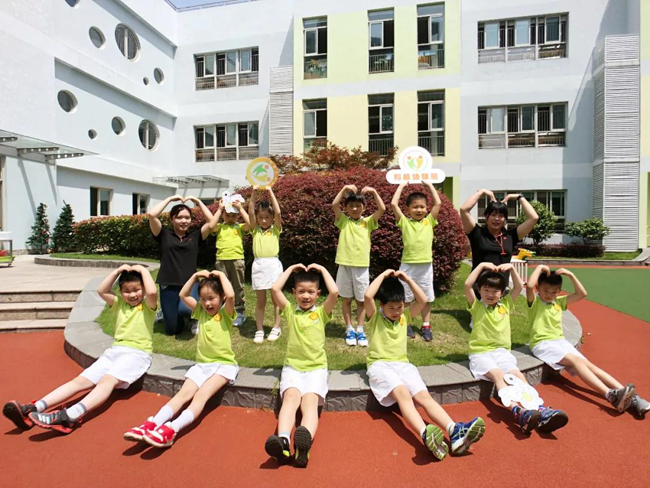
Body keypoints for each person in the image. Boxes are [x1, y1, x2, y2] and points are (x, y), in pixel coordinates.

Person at [3, 265, 157, 434]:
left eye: (136, 290)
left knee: (107, 381)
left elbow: (152, 292)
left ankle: (69, 416)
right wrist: (117, 271)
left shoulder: (148, 307)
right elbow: (101, 290)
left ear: (142, 290)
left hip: (137, 354)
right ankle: (33, 408)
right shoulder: (120, 304)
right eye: (127, 291)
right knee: (80, 381)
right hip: (114, 352)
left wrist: (143, 270)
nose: (133, 295)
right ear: (120, 292)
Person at [364, 270, 485, 460]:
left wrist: (408, 279)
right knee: (403, 394)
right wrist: (384, 275)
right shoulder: (375, 317)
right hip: (380, 366)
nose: (396, 312)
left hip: (403, 365)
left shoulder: (405, 316)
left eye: (399, 307)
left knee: (424, 397)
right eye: (391, 308)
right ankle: (425, 433)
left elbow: (422, 300)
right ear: (381, 305)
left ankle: (453, 430)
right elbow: (367, 295)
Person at [124, 270, 238, 448]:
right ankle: (154, 422)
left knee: (200, 396)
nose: (207, 303)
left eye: (212, 298)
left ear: (221, 297)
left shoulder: (225, 314)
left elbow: (231, 295)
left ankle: (172, 429)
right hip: (202, 365)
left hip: (224, 366)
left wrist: (221, 275)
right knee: (183, 394)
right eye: (203, 299)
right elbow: (183, 295)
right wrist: (194, 277)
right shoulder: (200, 311)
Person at [526, 266, 649, 418]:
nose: (549, 295)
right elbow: (529, 285)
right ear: (538, 288)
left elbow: (582, 294)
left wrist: (571, 275)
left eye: (554, 292)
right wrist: (540, 268)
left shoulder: (558, 302)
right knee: (576, 361)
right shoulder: (535, 302)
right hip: (542, 344)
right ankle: (610, 395)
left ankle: (633, 399)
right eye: (545, 290)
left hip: (560, 342)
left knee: (590, 366)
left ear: (559, 291)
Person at [465, 262, 568, 435]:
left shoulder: (505, 305)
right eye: (486, 290)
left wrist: (512, 268)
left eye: (495, 291)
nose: (490, 294)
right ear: (480, 290)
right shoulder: (476, 306)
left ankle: (540, 409)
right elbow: (467, 284)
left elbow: (519, 287)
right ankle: (518, 411)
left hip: (502, 352)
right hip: (481, 354)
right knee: (498, 376)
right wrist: (482, 265)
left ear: (502, 292)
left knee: (518, 376)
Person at [264, 263, 338, 468]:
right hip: (293, 368)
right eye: (301, 291)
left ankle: (304, 444)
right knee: (290, 399)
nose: (306, 296)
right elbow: (275, 289)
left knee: (310, 402)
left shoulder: (322, 313)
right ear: (294, 293)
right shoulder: (289, 311)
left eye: (311, 292)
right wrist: (291, 269)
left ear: (318, 294)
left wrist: (322, 269)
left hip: (316, 368)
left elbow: (335, 292)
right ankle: (284, 441)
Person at [148, 194, 215, 335]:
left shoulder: (195, 236)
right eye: (179, 217)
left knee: (185, 309)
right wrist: (170, 199)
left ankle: (194, 318)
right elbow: (152, 215)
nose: (184, 221)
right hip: (168, 283)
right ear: (172, 219)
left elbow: (212, 222)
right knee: (173, 330)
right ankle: (166, 313)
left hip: (190, 283)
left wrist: (198, 201)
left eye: (187, 217)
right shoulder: (163, 234)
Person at [332, 184, 385, 347]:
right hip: (344, 265)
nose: (354, 208)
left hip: (361, 266)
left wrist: (374, 192)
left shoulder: (367, 222)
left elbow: (382, 209)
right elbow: (334, 205)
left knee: (361, 301)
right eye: (351, 206)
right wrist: (344, 189)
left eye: (358, 206)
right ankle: (349, 329)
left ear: (364, 207)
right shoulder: (343, 221)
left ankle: (360, 329)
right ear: (346, 208)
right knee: (346, 299)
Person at [390, 181, 441, 342]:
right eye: (415, 207)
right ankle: (407, 322)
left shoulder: (429, 221)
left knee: (426, 297)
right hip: (408, 266)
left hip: (425, 266)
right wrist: (401, 186)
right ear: (407, 210)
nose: (419, 210)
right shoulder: (404, 222)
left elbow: (438, 203)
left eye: (422, 207)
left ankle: (426, 325)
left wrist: (429, 186)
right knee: (406, 298)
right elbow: (393, 204)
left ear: (426, 208)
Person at [460, 190, 538, 288]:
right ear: (486, 216)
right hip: (479, 288)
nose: (497, 219)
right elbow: (464, 210)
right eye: (493, 215)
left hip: (500, 290)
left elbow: (534, 218)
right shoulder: (477, 233)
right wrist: (482, 192)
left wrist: (519, 197)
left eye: (501, 216)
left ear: (505, 219)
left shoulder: (511, 236)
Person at [248, 186, 283, 344]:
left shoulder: (276, 230)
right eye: (260, 217)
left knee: (276, 299)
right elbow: (250, 211)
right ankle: (260, 329)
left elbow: (278, 212)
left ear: (272, 218)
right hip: (259, 266)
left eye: (267, 217)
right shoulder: (255, 230)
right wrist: (254, 193)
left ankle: (276, 327)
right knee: (260, 301)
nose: (264, 220)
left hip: (273, 265)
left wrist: (270, 191)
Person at [212, 199, 250, 327]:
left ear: (238, 216)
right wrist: (219, 209)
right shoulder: (220, 227)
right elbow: (211, 225)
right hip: (221, 260)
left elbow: (250, 224)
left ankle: (239, 311)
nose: (230, 218)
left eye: (234, 215)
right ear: (223, 215)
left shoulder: (239, 227)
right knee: (221, 286)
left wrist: (240, 208)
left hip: (237, 260)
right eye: (227, 215)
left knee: (238, 286)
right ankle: (223, 309)